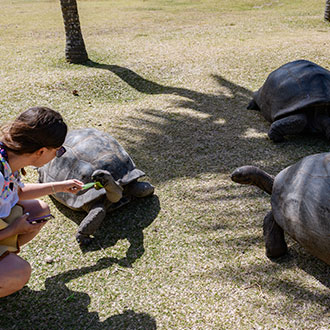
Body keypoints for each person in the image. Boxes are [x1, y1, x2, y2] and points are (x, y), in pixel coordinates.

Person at [0, 107, 83, 298]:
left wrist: (60, 186)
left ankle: (6, 257)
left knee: (40, 212)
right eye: (58, 151)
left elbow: (16, 192)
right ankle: (7, 270)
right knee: (20, 273)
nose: (57, 155)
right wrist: (14, 230)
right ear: (42, 151)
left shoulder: (7, 157)